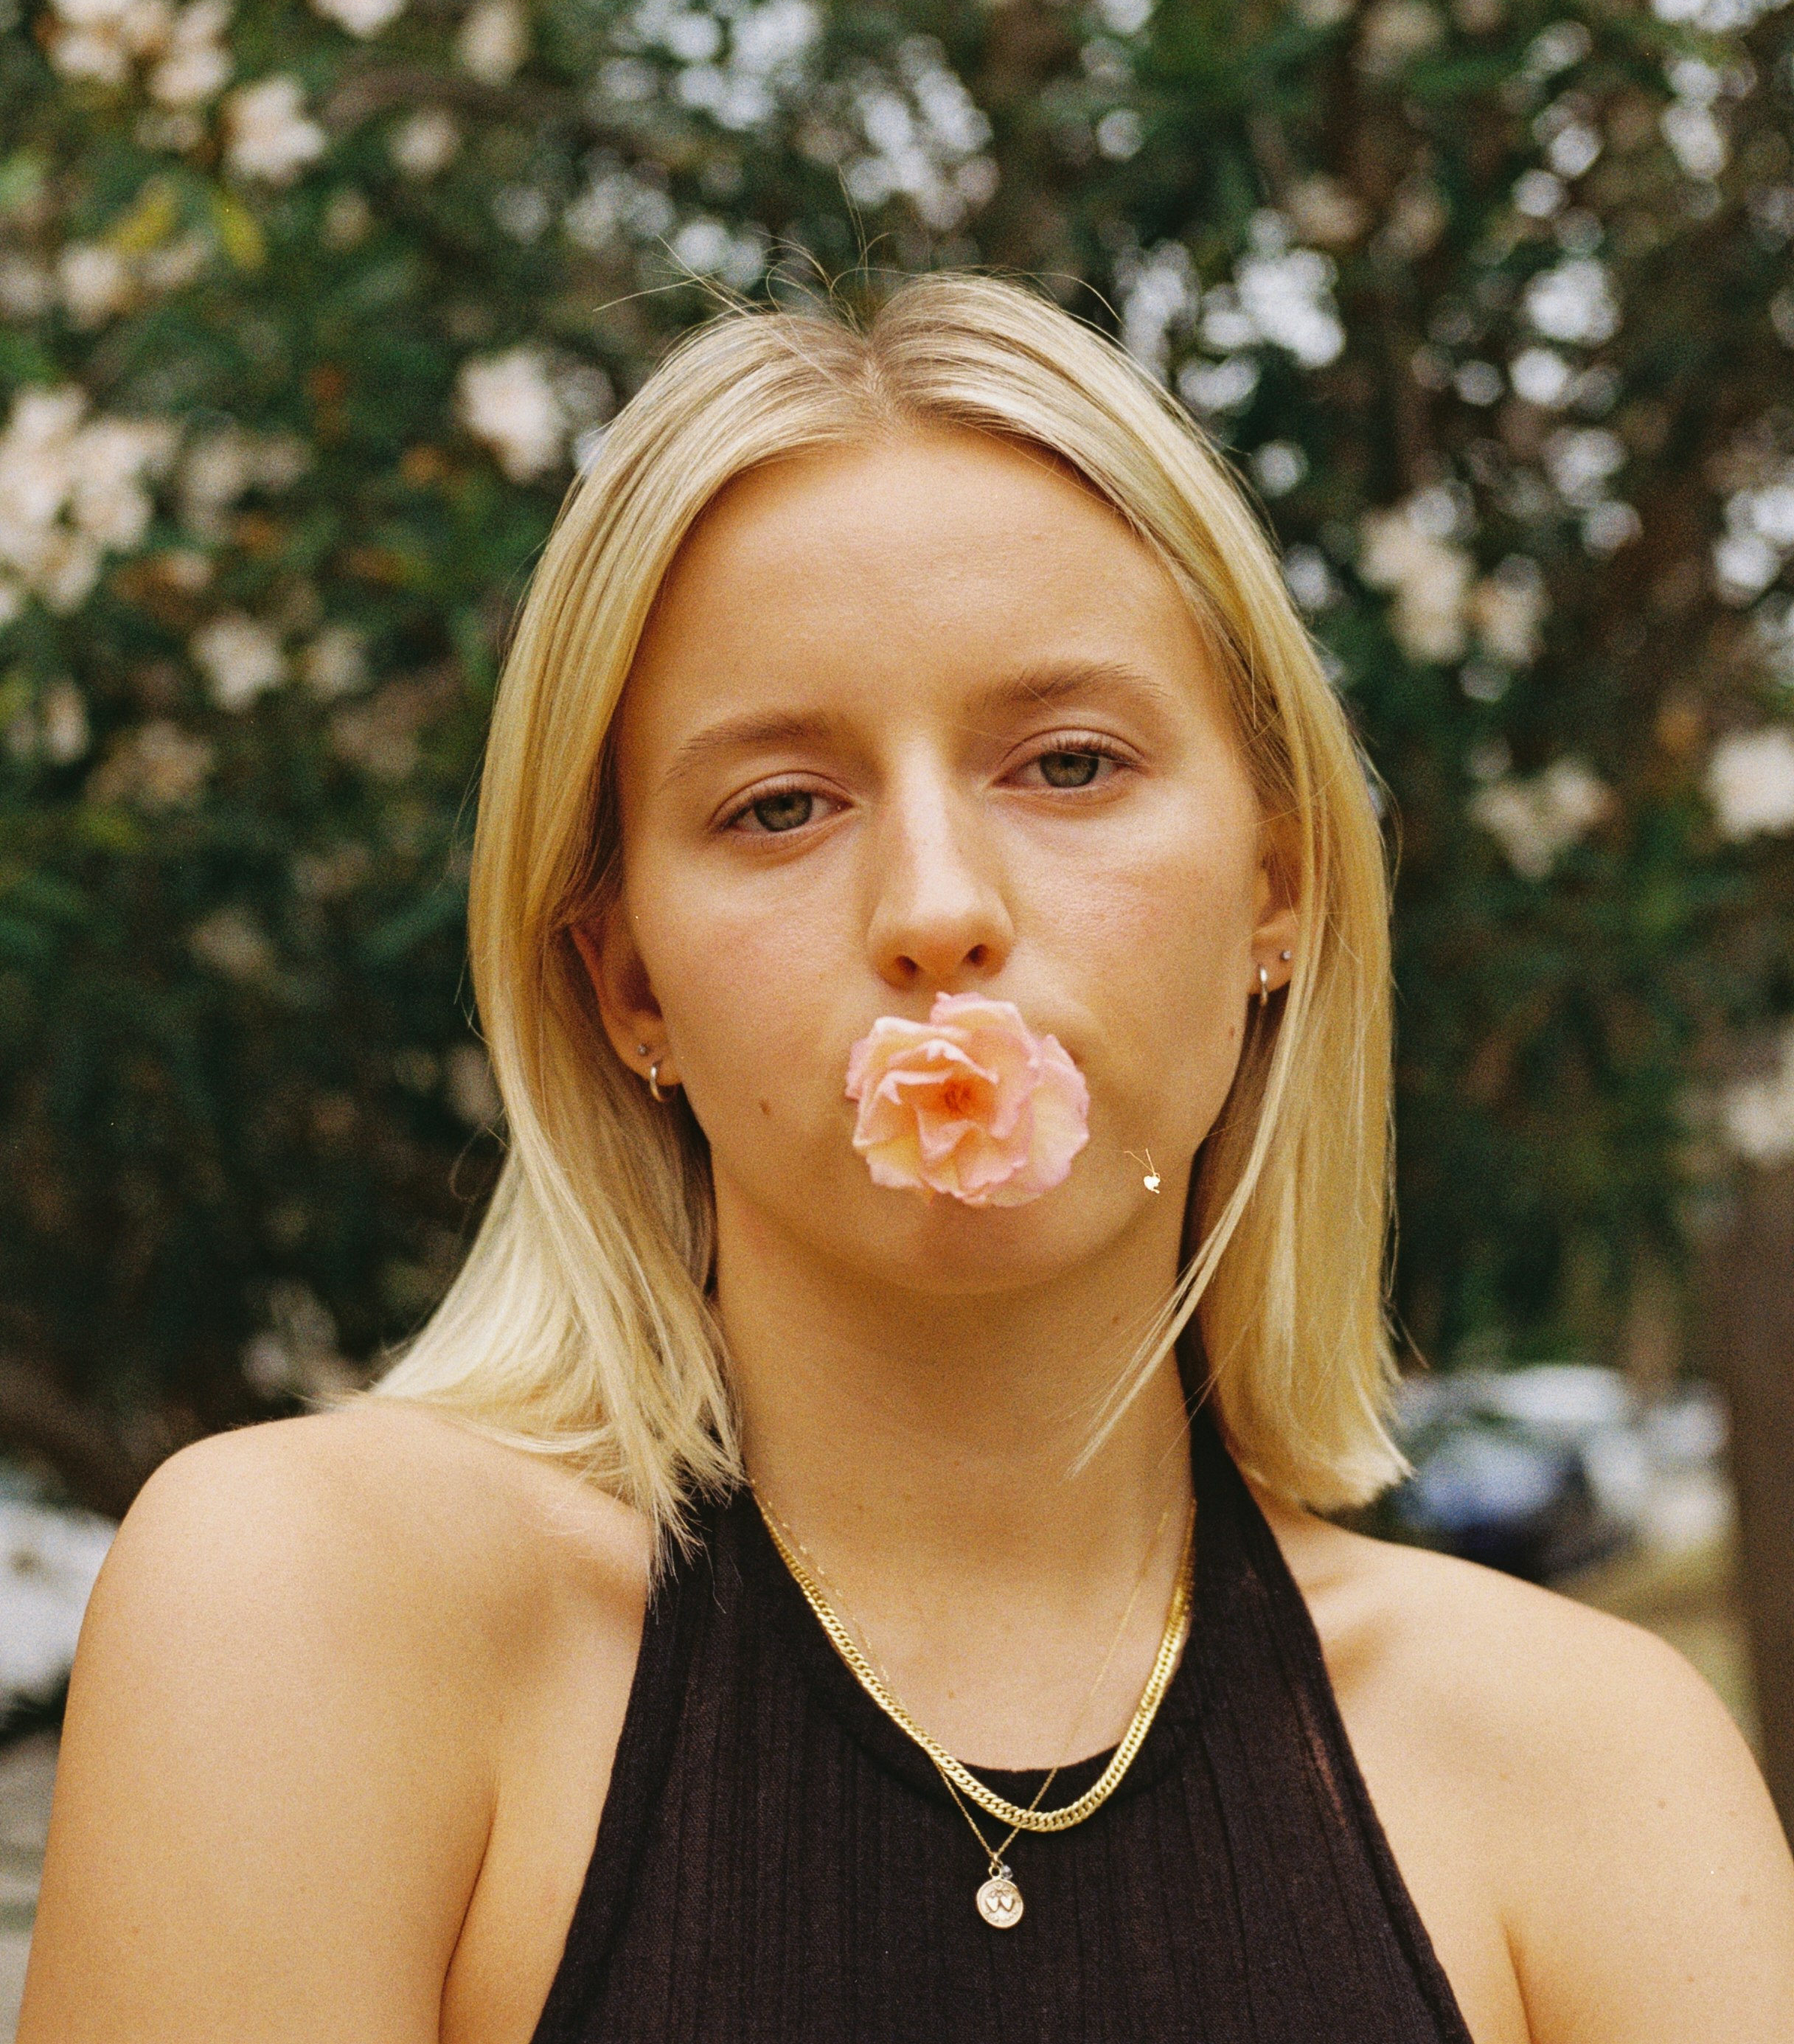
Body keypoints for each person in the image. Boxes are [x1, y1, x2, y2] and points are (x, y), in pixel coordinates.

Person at [21, 276, 1794, 2044]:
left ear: (1272, 891)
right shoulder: (318, 1622)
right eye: (778, 805)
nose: (937, 909)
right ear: (628, 979)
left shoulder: (1592, 1771)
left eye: (1068, 764)